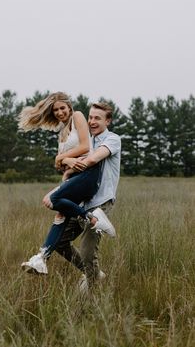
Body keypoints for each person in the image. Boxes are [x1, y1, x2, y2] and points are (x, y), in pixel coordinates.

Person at [18, 92, 115, 274]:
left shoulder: (77, 116)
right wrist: (66, 162)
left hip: (88, 174)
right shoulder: (62, 131)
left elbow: (85, 147)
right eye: (56, 110)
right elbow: (60, 165)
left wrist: (62, 157)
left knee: (53, 200)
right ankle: (42, 258)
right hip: (74, 177)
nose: (60, 112)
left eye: (63, 108)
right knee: (60, 218)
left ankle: (92, 218)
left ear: (69, 107)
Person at [53, 101, 121, 290]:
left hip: (100, 204)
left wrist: (67, 159)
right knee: (59, 242)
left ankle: (91, 296)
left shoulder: (113, 139)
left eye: (97, 118)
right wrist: (65, 159)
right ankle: (94, 274)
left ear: (108, 121)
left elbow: (91, 159)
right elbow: (64, 165)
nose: (91, 121)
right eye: (90, 117)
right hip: (80, 203)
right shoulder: (86, 141)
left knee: (87, 253)